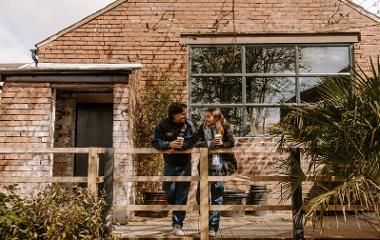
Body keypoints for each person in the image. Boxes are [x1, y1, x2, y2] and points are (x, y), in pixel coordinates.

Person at [152, 102, 196, 236]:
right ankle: (176, 209)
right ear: (174, 114)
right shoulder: (162, 125)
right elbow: (155, 141)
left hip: (185, 164)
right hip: (169, 163)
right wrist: (168, 144)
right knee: (168, 189)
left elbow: (192, 141)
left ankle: (177, 225)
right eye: (182, 113)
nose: (185, 115)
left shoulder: (189, 125)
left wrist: (178, 147)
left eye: (185, 113)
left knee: (182, 194)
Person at [196, 107, 235, 237]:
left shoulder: (225, 127)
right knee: (200, 196)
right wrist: (209, 143)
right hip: (205, 166)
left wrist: (221, 143)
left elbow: (231, 143)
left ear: (216, 118)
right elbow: (197, 142)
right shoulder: (202, 128)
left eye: (208, 116)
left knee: (217, 197)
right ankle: (205, 224)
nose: (206, 118)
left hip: (219, 167)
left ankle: (213, 227)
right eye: (206, 116)